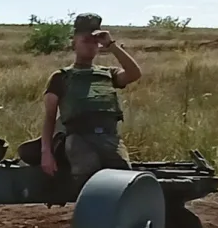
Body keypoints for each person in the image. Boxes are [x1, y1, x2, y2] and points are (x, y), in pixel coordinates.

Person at [39, 12, 142, 185]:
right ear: (74, 43)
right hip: (79, 139)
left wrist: (111, 45)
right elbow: (49, 119)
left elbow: (134, 73)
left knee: (125, 184)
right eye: (85, 40)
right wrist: (46, 153)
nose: (91, 45)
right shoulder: (61, 77)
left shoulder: (108, 74)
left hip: (110, 139)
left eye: (95, 41)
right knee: (88, 182)